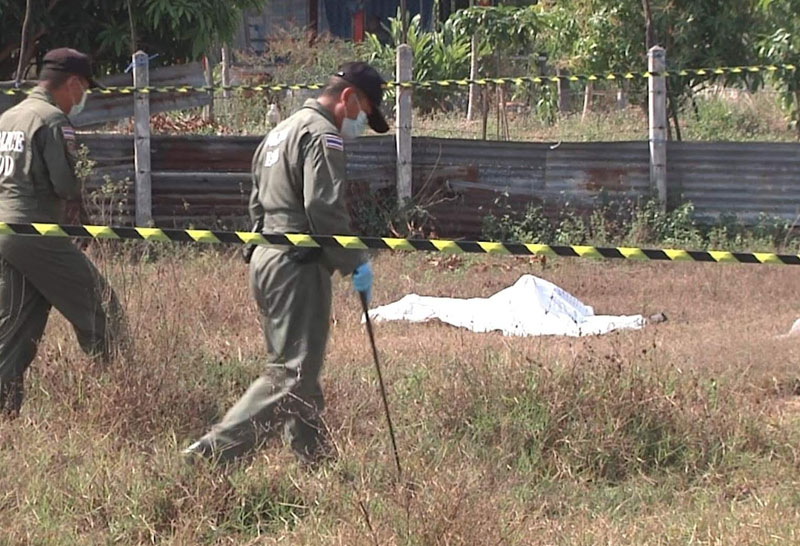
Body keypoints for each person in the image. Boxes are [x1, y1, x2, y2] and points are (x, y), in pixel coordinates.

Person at [184, 61, 389, 464]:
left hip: (267, 257)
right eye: (364, 112)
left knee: (296, 367)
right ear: (348, 98)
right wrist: (354, 261)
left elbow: (257, 202)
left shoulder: (280, 132)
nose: (362, 122)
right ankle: (211, 454)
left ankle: (313, 458)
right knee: (291, 375)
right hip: (299, 261)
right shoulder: (322, 135)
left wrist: (263, 247)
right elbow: (323, 207)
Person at [0, 48, 125, 418]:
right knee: (103, 308)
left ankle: (5, 416)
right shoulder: (52, 120)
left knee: (14, 329)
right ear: (72, 83)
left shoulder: (9, 117)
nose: (82, 97)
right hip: (35, 231)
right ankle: (125, 395)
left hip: (5, 230)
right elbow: (66, 184)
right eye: (84, 88)